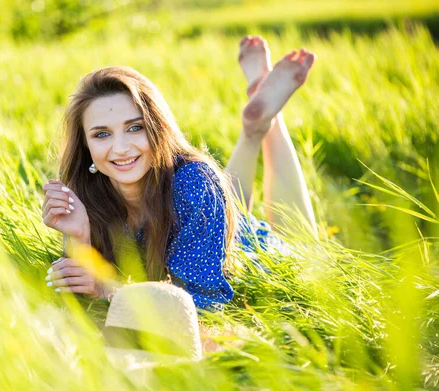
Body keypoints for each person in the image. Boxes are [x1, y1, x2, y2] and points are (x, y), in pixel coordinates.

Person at [42, 36, 317, 311]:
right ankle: (257, 124)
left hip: (249, 256)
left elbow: (200, 305)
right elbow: (82, 296)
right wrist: (78, 236)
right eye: (102, 134)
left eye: (135, 127)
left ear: (157, 128)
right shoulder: (86, 189)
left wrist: (108, 289)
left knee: (306, 247)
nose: (121, 148)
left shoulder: (194, 181)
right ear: (85, 146)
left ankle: (269, 121)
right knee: (225, 200)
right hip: (212, 217)